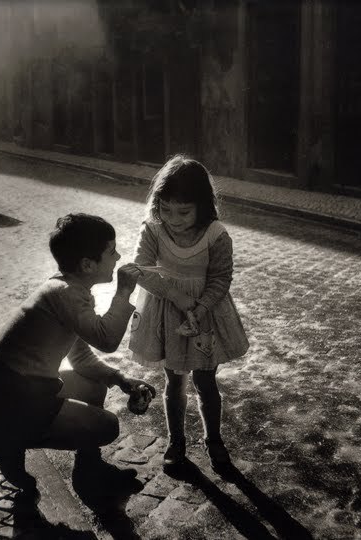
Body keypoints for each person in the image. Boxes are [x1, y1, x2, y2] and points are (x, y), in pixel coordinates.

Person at [0, 213, 156, 493]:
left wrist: (119, 379)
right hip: (13, 399)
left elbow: (81, 358)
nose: (118, 256)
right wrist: (123, 291)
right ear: (88, 264)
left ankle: (89, 469)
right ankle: (9, 440)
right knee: (107, 427)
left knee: (94, 385)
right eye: (111, 251)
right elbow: (107, 340)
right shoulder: (67, 293)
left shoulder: (64, 289)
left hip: (11, 390)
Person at [129, 155, 249, 473]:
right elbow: (141, 269)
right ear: (157, 205)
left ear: (202, 205)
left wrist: (200, 306)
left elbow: (221, 278)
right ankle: (176, 441)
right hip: (166, 311)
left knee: (206, 381)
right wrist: (176, 296)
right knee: (173, 381)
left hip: (206, 314)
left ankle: (214, 439)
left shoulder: (216, 234)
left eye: (183, 211)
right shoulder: (154, 229)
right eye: (166, 210)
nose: (174, 219)